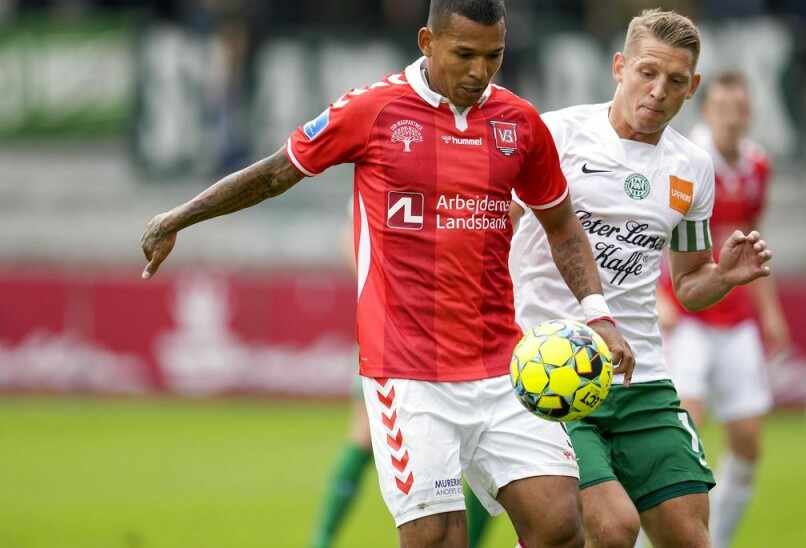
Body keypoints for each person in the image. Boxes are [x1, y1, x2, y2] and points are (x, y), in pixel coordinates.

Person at [140, 1, 636, 547]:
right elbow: (278, 171)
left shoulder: (520, 123)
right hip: (409, 374)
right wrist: (179, 216)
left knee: (560, 527)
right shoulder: (373, 110)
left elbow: (563, 226)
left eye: (493, 56)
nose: (479, 71)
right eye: (464, 55)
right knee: (434, 540)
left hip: (504, 369)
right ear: (427, 42)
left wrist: (599, 314)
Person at [510, 10, 774, 548]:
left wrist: (723, 276)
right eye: (647, 73)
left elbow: (690, 284)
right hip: (554, 368)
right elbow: (497, 237)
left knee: (690, 533)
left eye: (676, 81)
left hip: (642, 376)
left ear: (692, 87)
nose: (659, 91)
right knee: (612, 528)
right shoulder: (555, 134)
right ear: (619, 67)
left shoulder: (691, 167)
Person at [656, 71, 791, 548]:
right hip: (687, 316)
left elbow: (751, 245)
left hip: (735, 321)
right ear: (706, 109)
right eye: (722, 107)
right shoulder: (685, 161)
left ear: (750, 112)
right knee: (681, 432)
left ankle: (718, 540)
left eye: (740, 107)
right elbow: (656, 231)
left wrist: (770, 313)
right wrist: (656, 298)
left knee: (749, 441)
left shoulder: (757, 166)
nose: (732, 116)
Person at [310, 207, 493, 548]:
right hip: (396, 330)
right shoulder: (389, 165)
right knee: (363, 437)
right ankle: (320, 541)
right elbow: (352, 236)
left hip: (473, 327)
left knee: (486, 454)